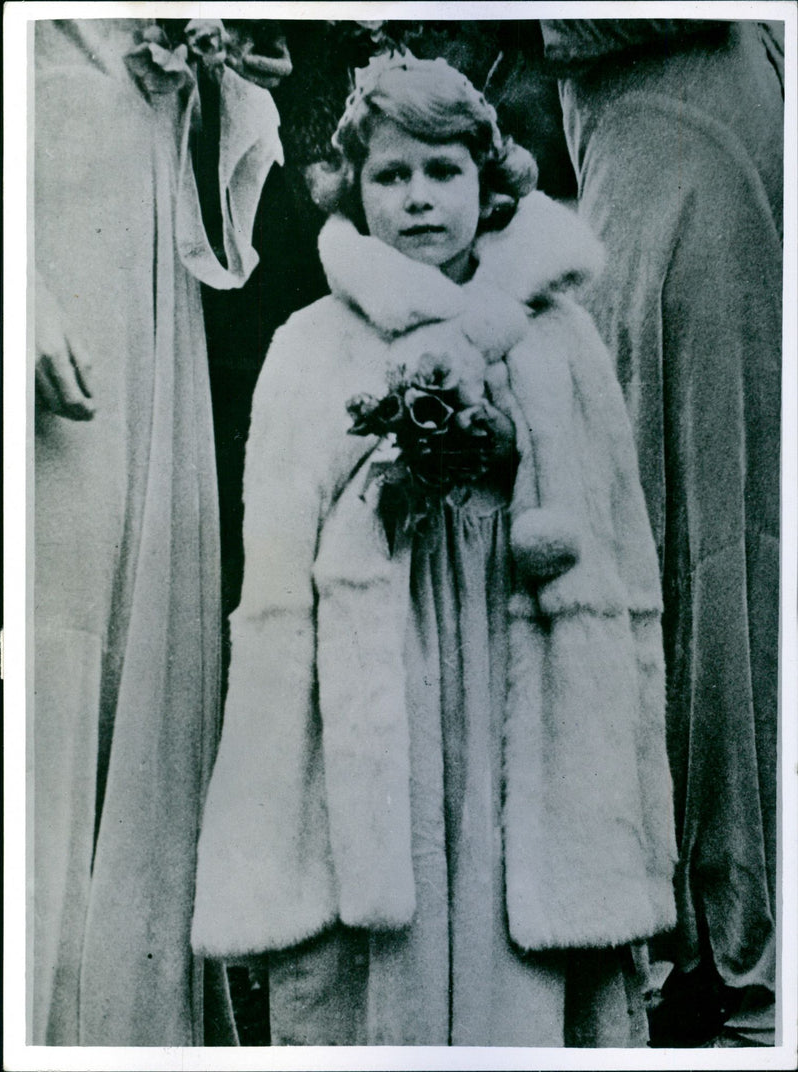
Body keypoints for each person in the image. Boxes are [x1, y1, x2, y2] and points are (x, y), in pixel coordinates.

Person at [191, 53, 677, 1047]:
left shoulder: (560, 338)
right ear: (353, 189)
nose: (416, 198)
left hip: (520, 675)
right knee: (386, 933)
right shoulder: (311, 343)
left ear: (487, 182)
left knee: (514, 918)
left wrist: (512, 461)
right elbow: (276, 596)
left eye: (441, 172)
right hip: (378, 690)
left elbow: (614, 559)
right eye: (390, 175)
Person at [33, 18, 282, 1045]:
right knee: (51, 621)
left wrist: (208, 62)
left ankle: (119, 1016)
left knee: (142, 628)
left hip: (148, 280)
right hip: (50, 242)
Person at [539, 18, 783, 1047]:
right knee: (641, 507)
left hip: (686, 128)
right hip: (626, 133)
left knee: (700, 520)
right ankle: (674, 929)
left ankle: (725, 951)